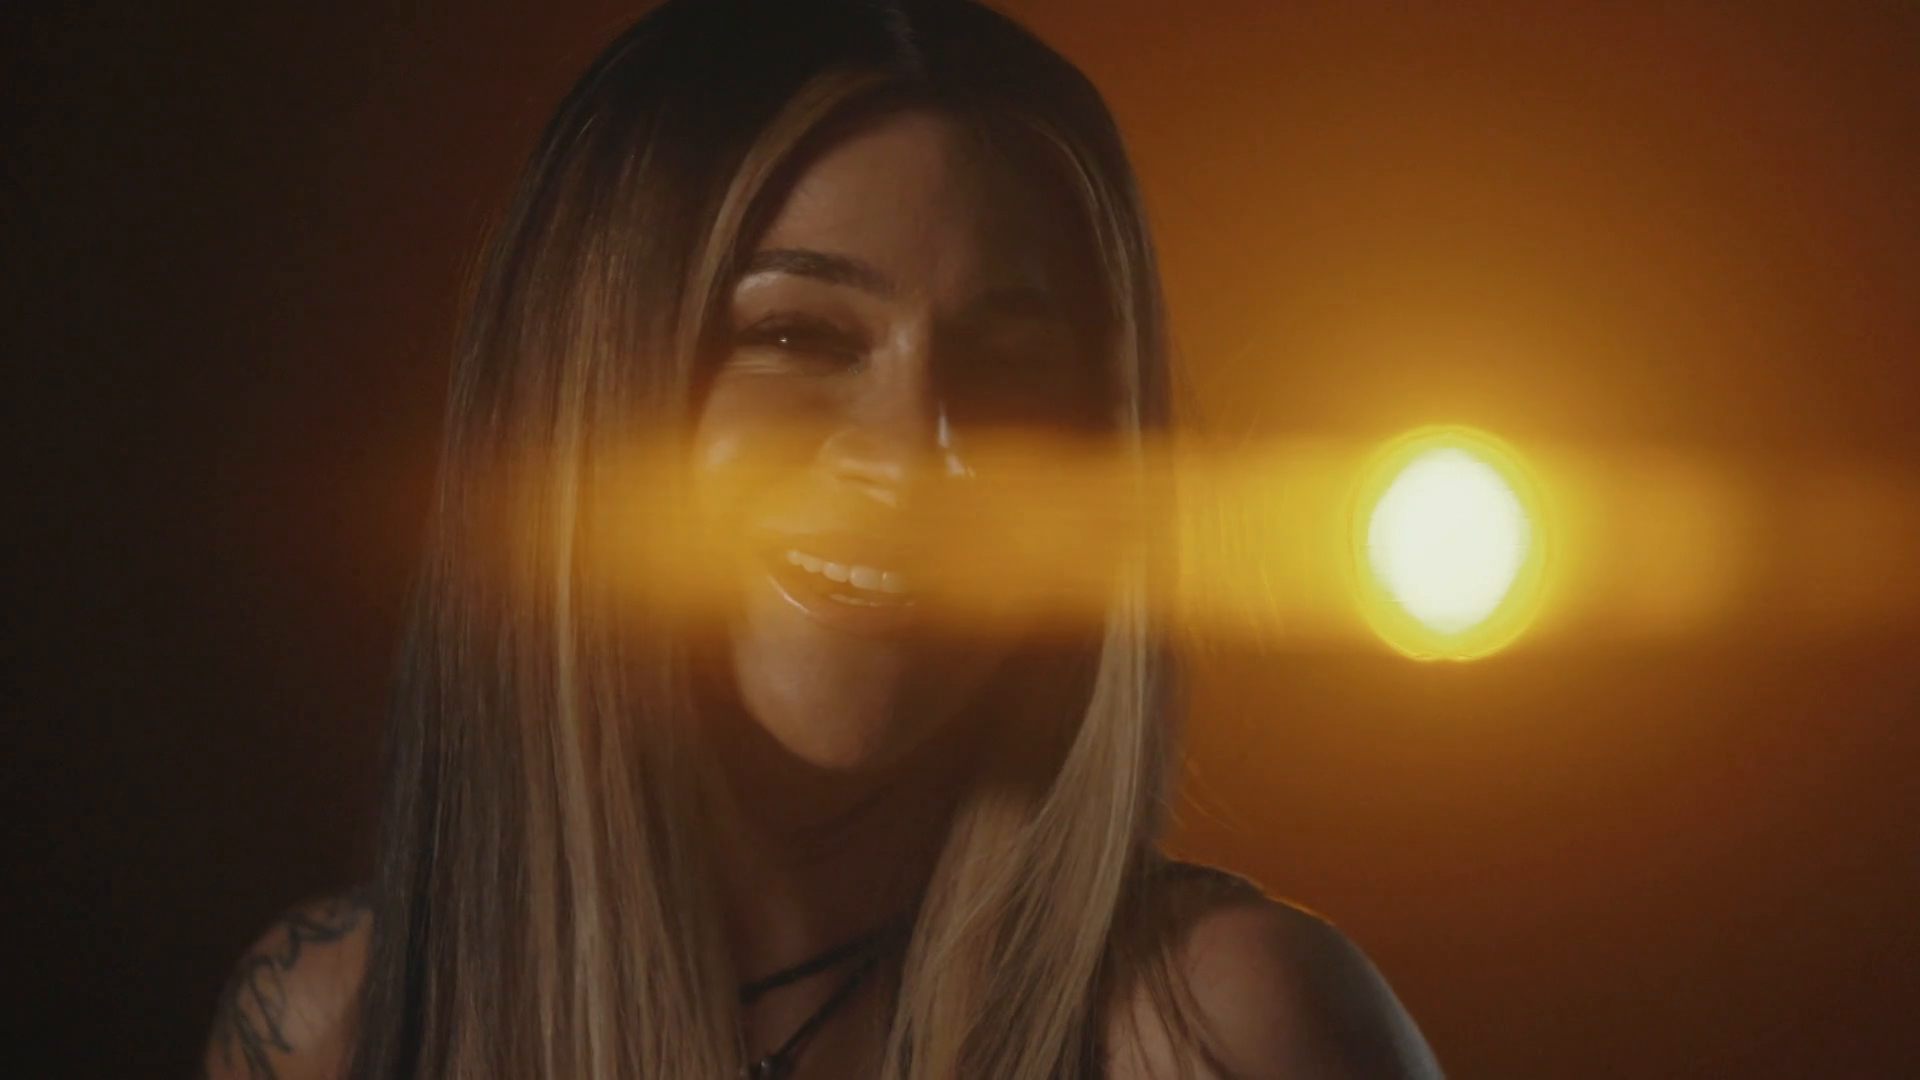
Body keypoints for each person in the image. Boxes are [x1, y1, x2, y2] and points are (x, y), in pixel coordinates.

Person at [201, 1, 1442, 1077]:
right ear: (586, 398)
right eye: (799, 338)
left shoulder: (1231, 1033)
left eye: (1011, 366)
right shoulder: (338, 1027)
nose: (914, 459)